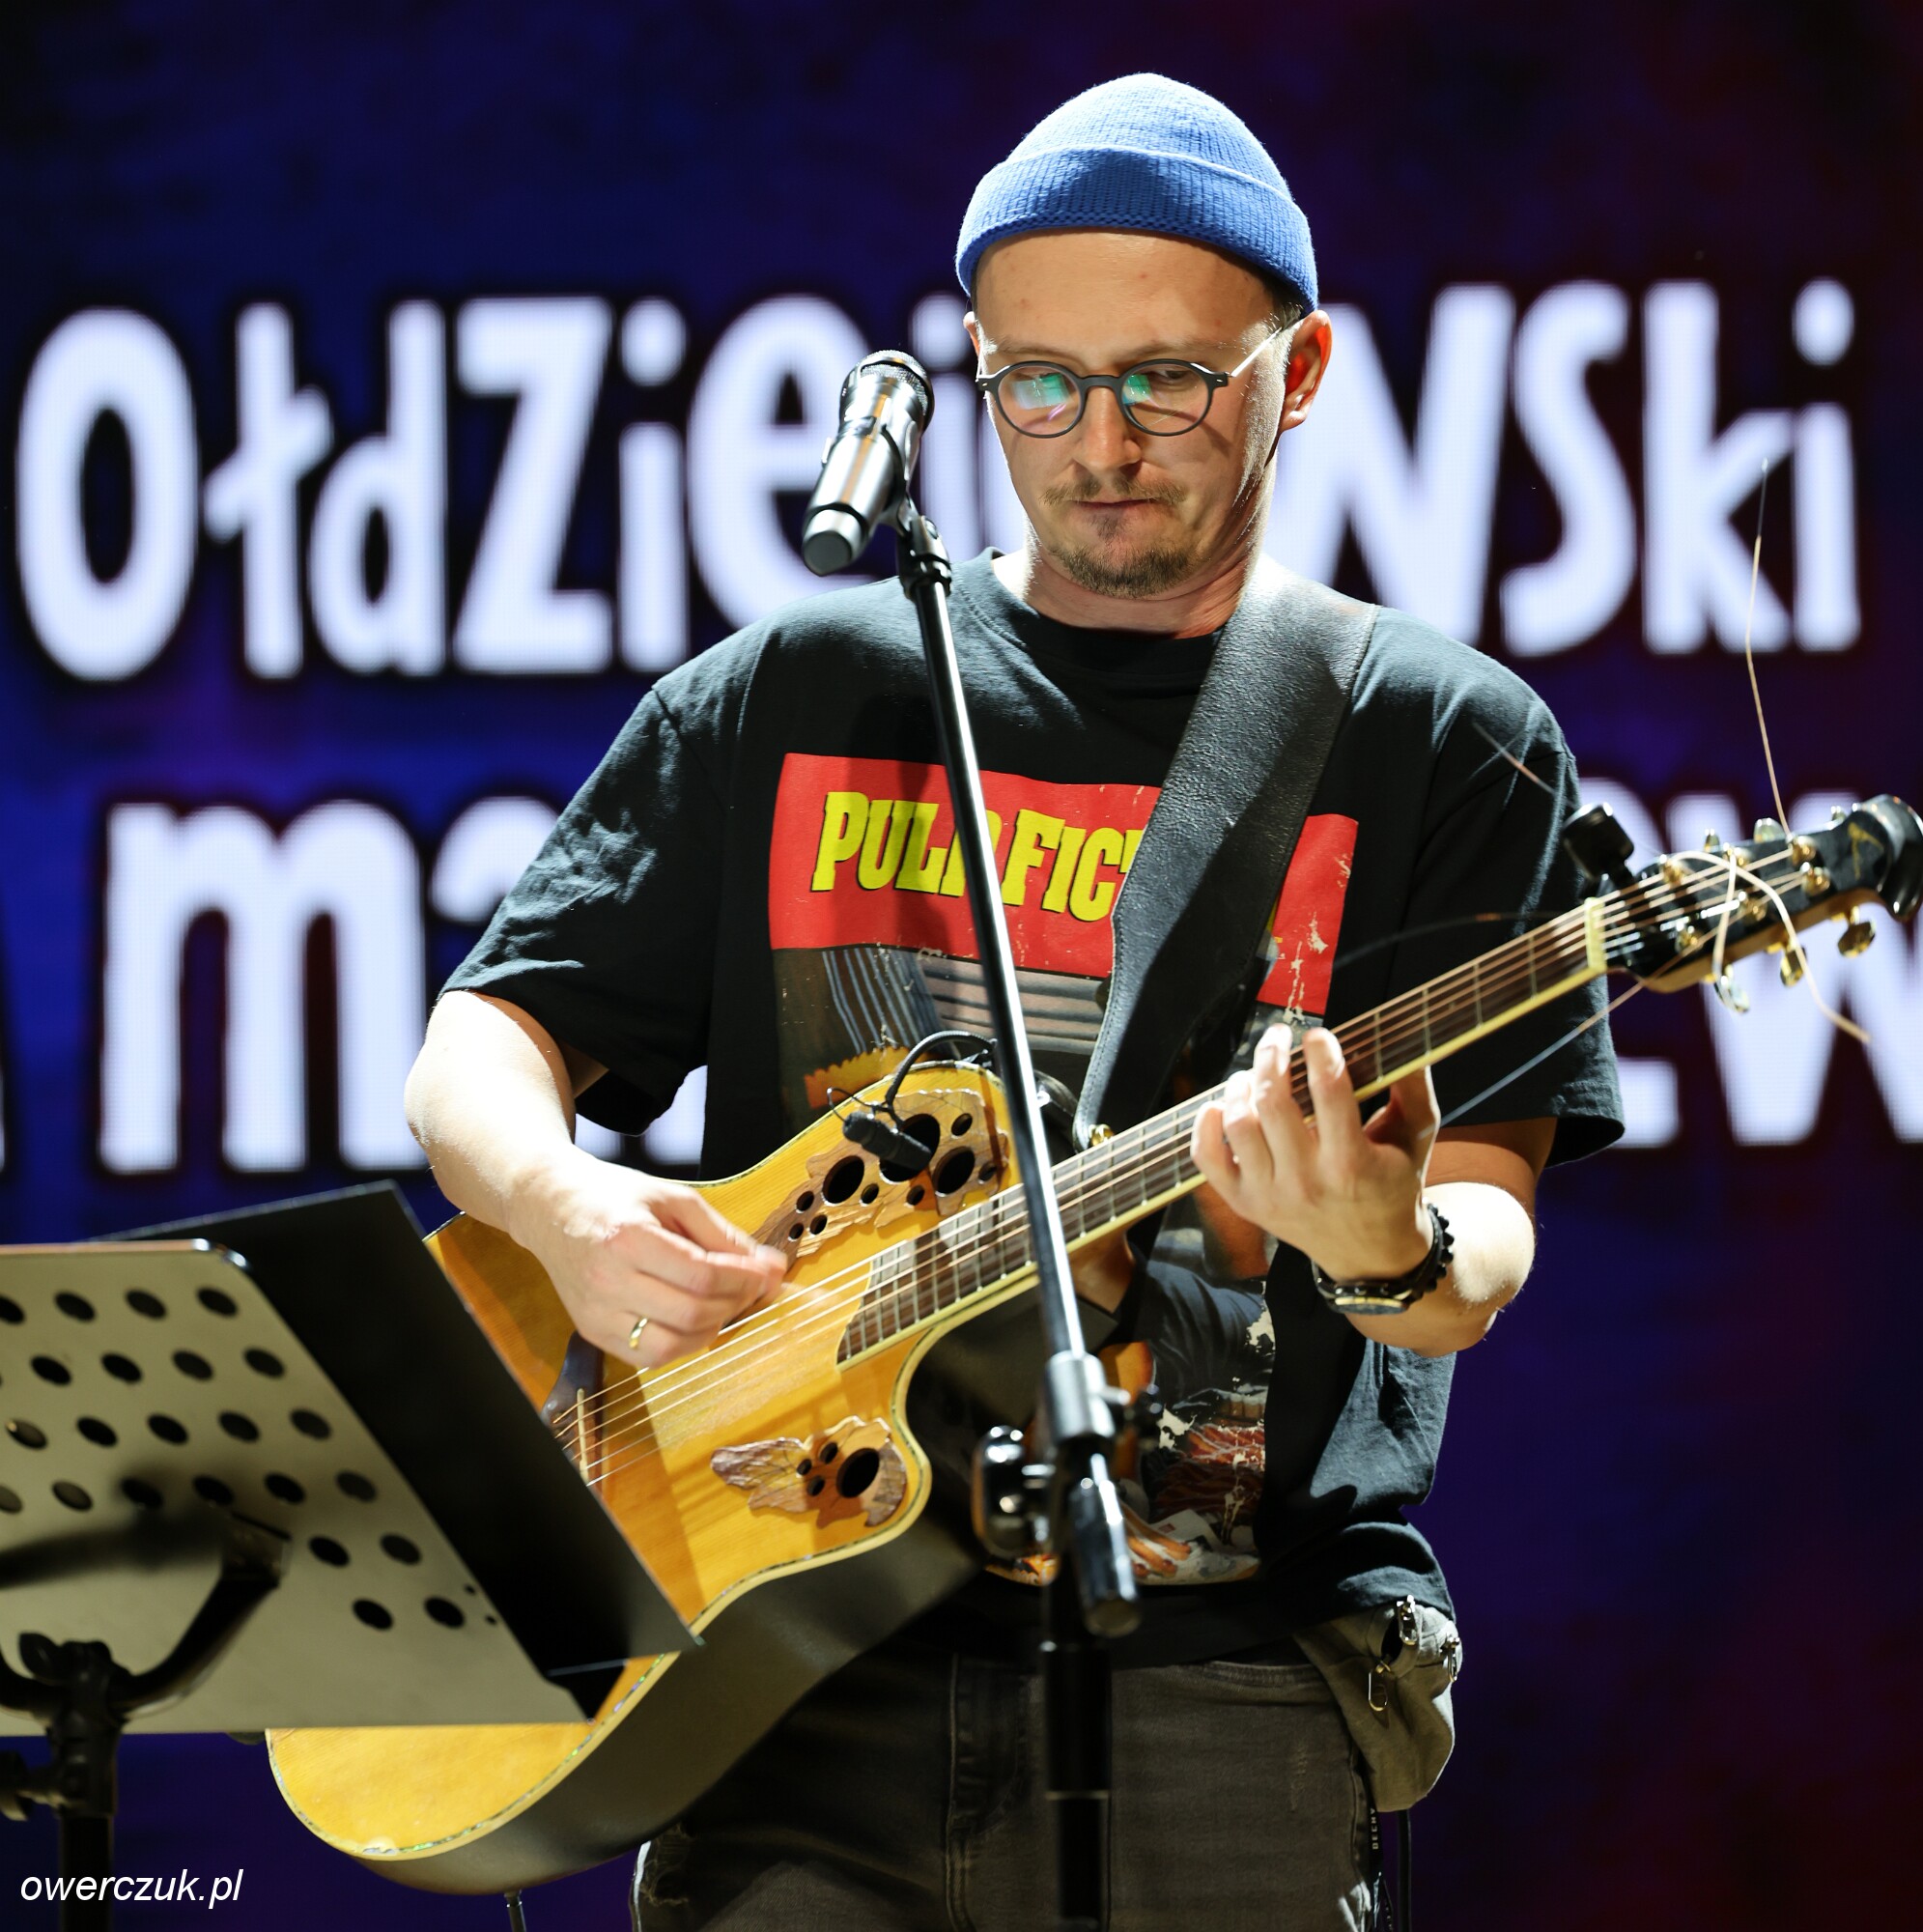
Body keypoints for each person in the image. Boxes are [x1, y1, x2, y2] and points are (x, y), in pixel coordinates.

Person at [408, 74, 1622, 1932]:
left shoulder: (1436, 737)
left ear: (1298, 374)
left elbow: (1479, 1238)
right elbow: (480, 1048)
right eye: (1037, 385)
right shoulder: (801, 689)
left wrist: (1383, 1243)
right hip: (785, 1664)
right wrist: (562, 1208)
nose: (1097, 443)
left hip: (1220, 1681)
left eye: (1168, 382)